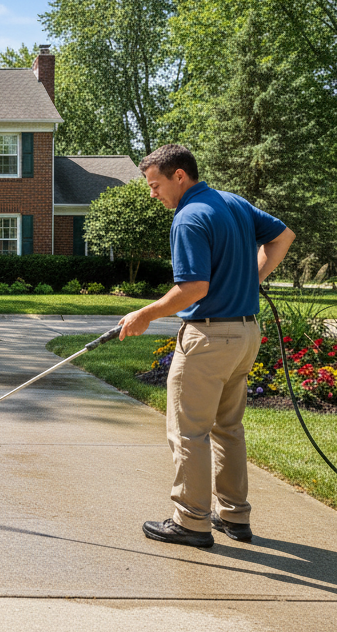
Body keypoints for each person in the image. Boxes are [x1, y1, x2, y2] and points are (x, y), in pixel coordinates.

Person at [118, 144, 295, 548]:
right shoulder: (232, 202)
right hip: (246, 333)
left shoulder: (189, 217)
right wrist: (255, 277)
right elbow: (284, 236)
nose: (153, 194)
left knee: (188, 431)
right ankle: (234, 516)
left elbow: (194, 287)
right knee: (228, 428)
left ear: (179, 176)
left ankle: (191, 521)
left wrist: (145, 314)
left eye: (155, 184)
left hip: (210, 338)